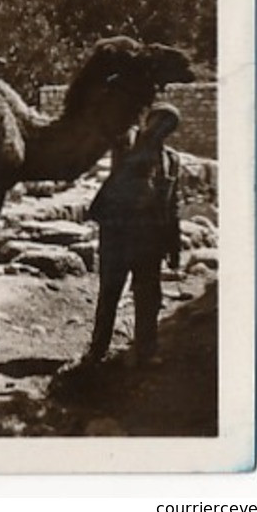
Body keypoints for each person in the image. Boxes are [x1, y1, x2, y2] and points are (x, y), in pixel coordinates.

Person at [84, 102, 184, 366]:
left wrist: (174, 248)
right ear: (147, 121)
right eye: (158, 121)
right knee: (110, 293)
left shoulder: (172, 161)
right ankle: (97, 350)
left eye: (168, 125)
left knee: (149, 297)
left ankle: (146, 352)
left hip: (150, 241)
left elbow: (173, 206)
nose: (161, 128)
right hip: (118, 235)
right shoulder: (126, 144)